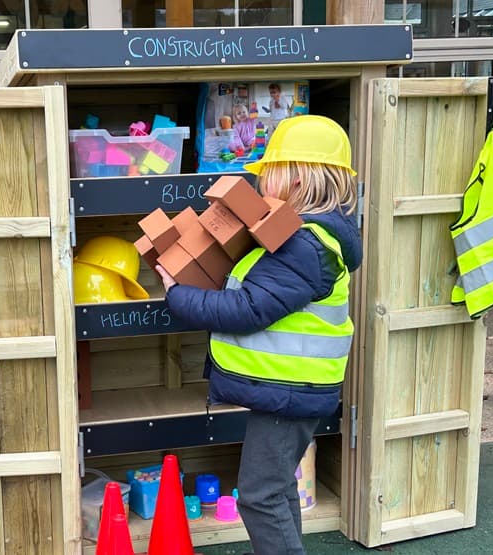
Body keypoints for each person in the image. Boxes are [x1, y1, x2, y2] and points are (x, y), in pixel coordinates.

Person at [156, 115, 362, 555]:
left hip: (290, 392)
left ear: (298, 177)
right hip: (291, 390)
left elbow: (247, 309)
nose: (262, 182)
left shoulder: (304, 244)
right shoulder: (308, 238)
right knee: (275, 489)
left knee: (258, 496)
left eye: (269, 173)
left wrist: (179, 295)